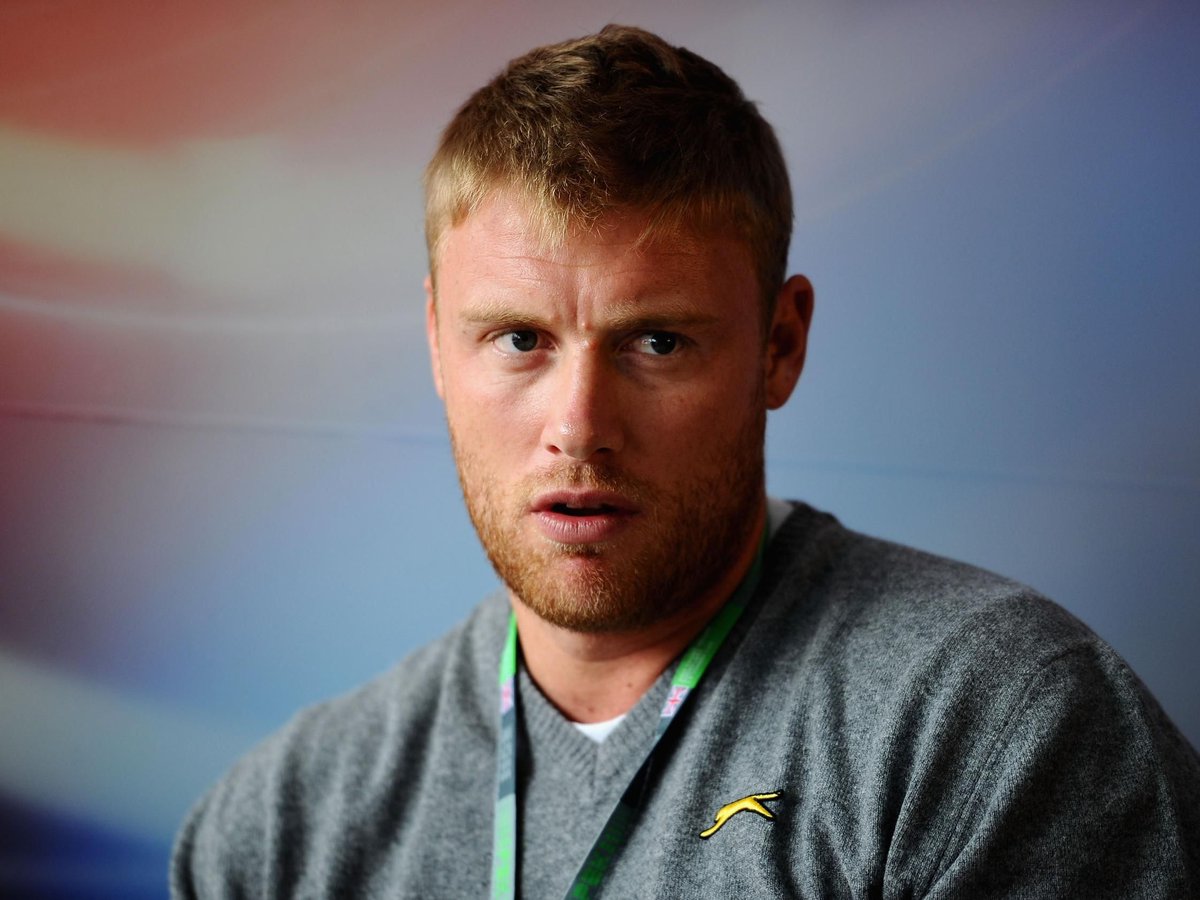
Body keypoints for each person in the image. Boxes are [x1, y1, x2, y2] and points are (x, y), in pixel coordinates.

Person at [171, 25, 1200, 899]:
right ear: (438, 342)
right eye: (520, 339)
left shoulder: (994, 732)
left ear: (779, 345)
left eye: (656, 342)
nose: (579, 426)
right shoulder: (281, 829)